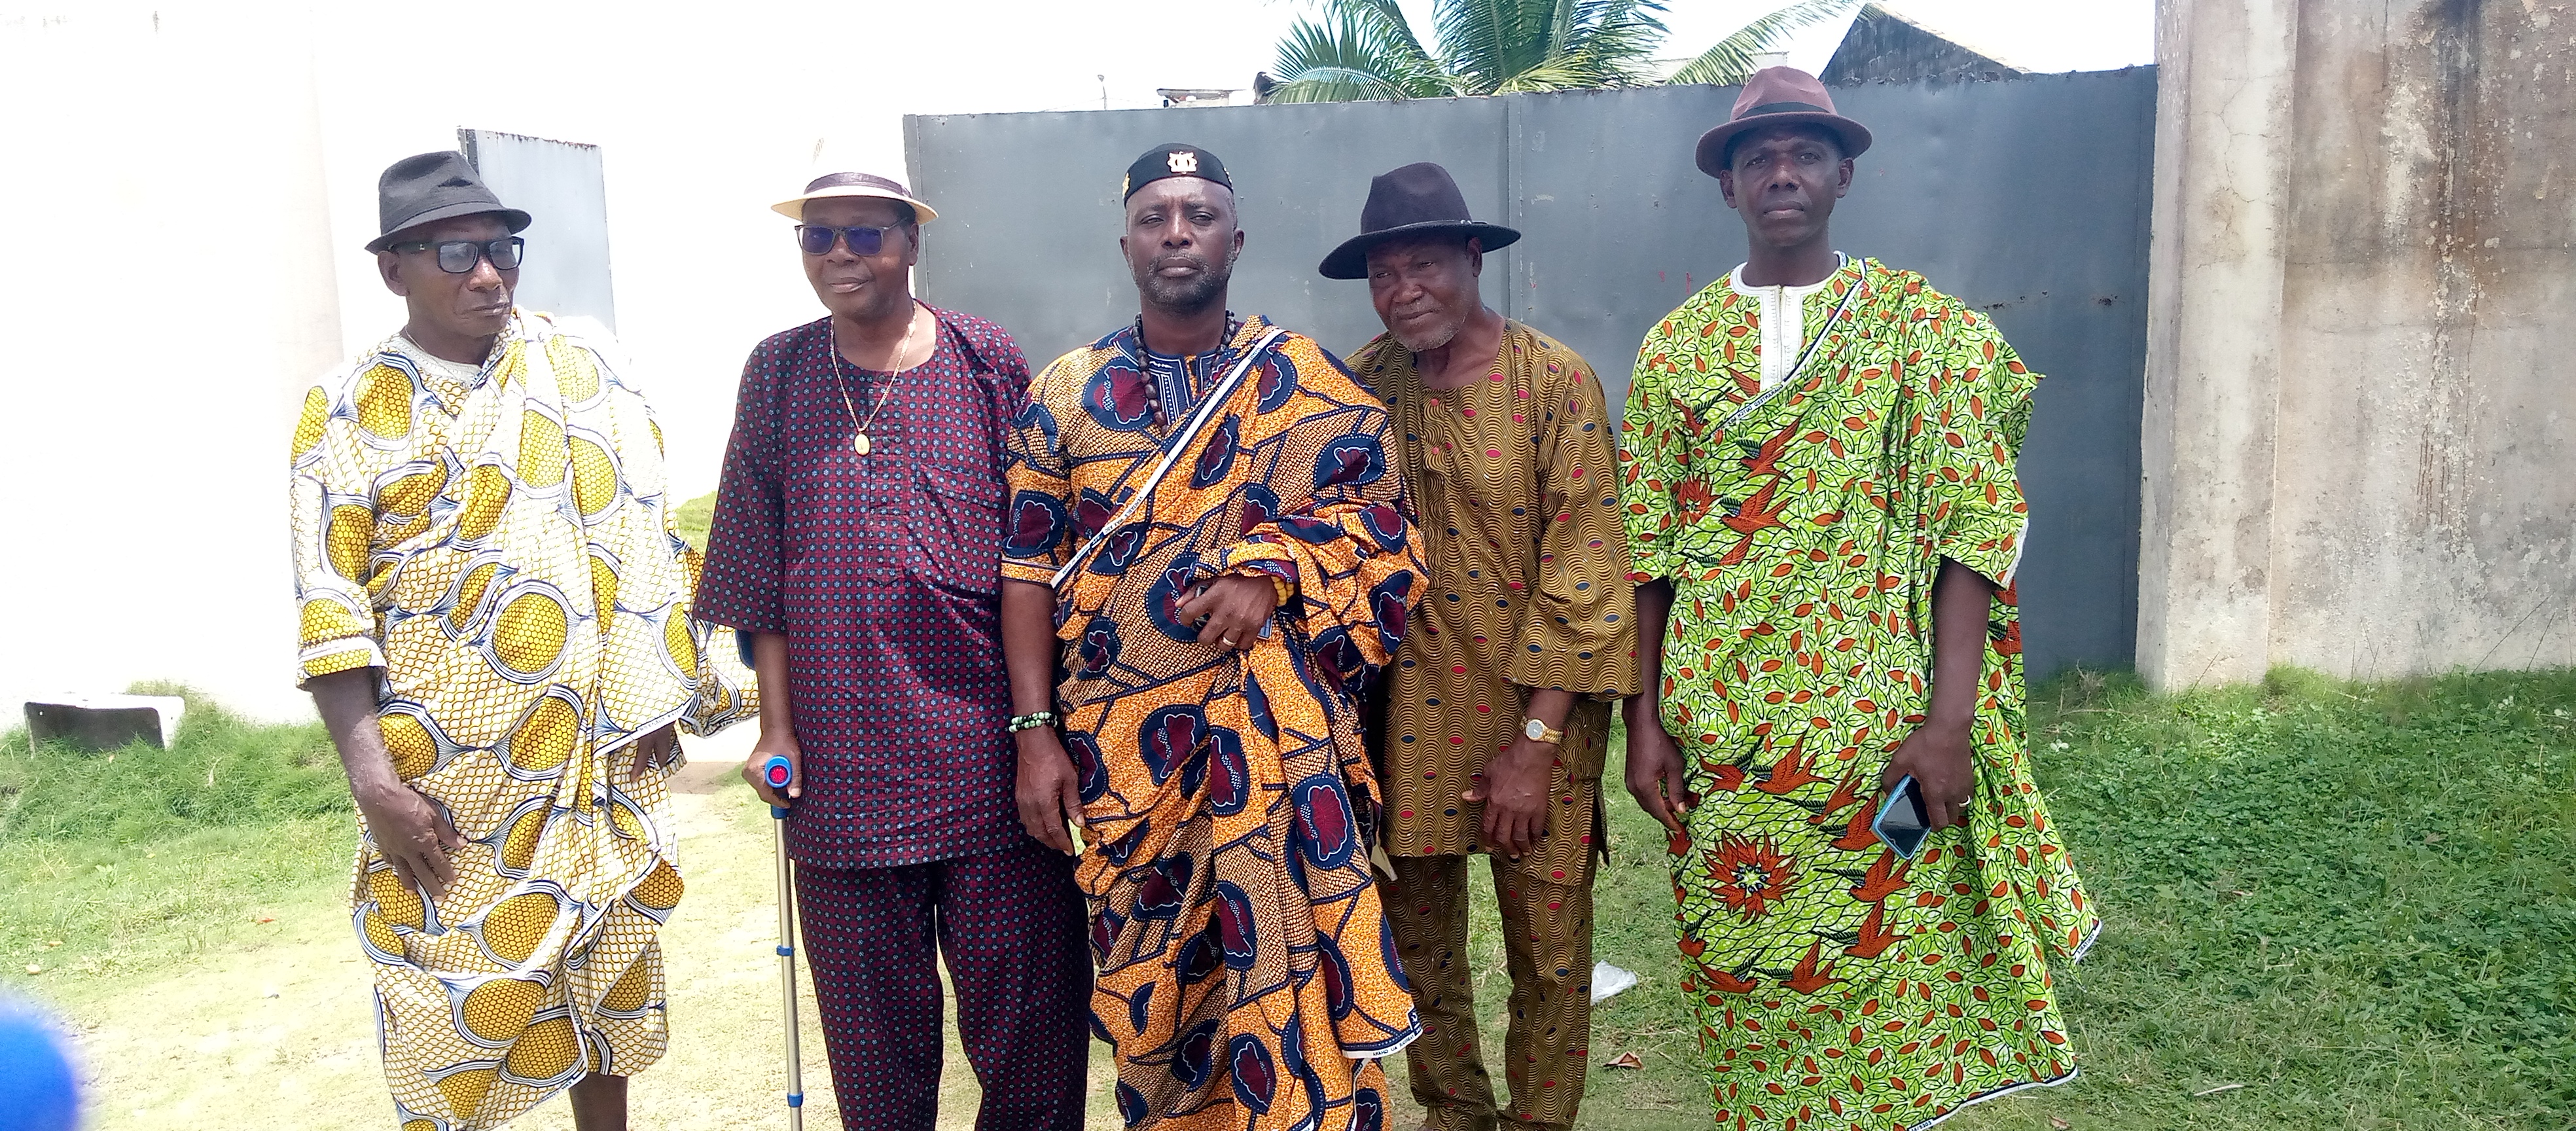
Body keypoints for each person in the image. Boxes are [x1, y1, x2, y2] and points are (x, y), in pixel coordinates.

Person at [1615, 69, 2099, 1130]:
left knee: (1881, 968)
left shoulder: (1922, 330)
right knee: (1743, 978)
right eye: (1758, 159)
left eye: (1804, 156)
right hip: (1722, 735)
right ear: (1727, 188)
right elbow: (1648, 551)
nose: (1781, 174)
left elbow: (1974, 532)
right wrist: (1643, 722)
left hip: (1875, 729)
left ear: (1843, 173)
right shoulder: (1674, 350)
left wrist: (1949, 724)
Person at [290, 151, 755, 1131]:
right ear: (393, 270)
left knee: (603, 975)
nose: (488, 273)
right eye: (456, 251)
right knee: (444, 1010)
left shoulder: (577, 365)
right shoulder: (345, 408)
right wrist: (374, 781)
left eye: (504, 248)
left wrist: (654, 685)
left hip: (588, 754)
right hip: (446, 779)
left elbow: (641, 522)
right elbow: (329, 603)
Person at [998, 143, 1426, 1131]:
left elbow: (1384, 526)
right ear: (1126, 242)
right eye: (1156, 217)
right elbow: (1024, 570)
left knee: (1290, 992)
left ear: (1238, 236)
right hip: (1123, 767)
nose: (1177, 233)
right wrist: (1032, 730)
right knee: (1160, 1012)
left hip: (1276, 754)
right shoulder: (1064, 394)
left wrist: (1273, 567)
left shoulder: (1309, 383)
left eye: (1198, 214)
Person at [696, 171, 1092, 1130]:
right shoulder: (778, 371)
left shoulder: (983, 355)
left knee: (1034, 1030)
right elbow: (757, 563)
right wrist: (772, 730)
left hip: (988, 757)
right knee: (875, 1054)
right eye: (818, 237)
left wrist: (1042, 731)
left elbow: (1036, 547)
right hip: (840, 770)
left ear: (910, 242)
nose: (839, 254)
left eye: (864, 235)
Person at [1323, 162, 1637, 1131]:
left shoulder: (1554, 383)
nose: (1403, 289)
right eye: (1384, 274)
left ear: (1473, 258)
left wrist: (1535, 750)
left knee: (1550, 955)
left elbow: (1586, 571)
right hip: (1405, 729)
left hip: (1535, 733)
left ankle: (1541, 1121)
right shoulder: (1363, 383)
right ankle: (1453, 1113)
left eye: (1424, 264)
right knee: (1420, 951)